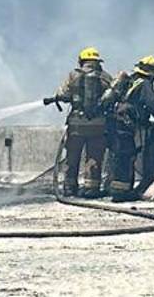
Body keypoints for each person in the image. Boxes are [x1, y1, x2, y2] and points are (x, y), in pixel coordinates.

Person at [43, 47, 112, 198]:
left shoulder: (73, 75)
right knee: (94, 157)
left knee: (72, 157)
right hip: (98, 125)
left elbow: (63, 94)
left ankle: (69, 188)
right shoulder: (105, 77)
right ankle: (91, 189)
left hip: (76, 125)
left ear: (81, 60)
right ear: (97, 61)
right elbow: (112, 97)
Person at [101, 55, 154, 202]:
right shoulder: (144, 84)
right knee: (125, 157)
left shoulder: (129, 80)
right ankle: (121, 193)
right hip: (125, 125)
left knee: (117, 156)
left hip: (114, 122)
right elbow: (153, 104)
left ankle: (113, 188)